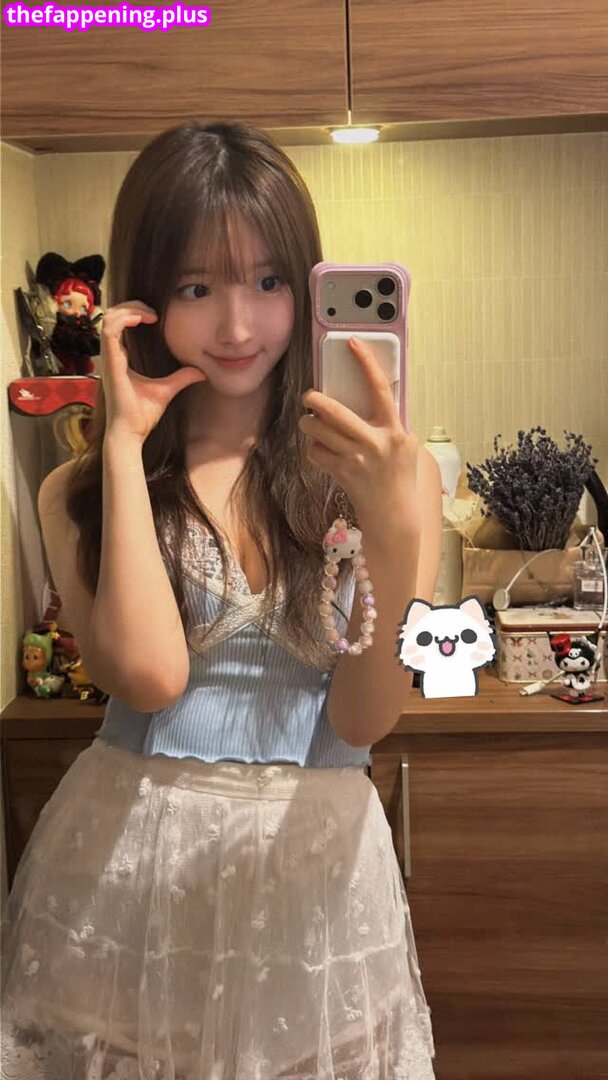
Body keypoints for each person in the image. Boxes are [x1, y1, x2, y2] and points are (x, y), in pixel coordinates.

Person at [1, 120, 443, 1080]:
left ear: (309, 286)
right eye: (198, 287)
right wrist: (122, 446)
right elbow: (150, 679)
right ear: (144, 297)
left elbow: (365, 720)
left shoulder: (394, 476)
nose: (238, 327)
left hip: (316, 883)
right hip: (135, 871)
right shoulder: (77, 490)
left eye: (269, 282)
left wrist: (394, 528)